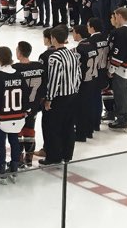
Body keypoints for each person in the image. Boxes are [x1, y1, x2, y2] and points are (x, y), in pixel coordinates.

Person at [0, 46, 29, 182]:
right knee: (14, 141)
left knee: (1, 143)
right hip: (18, 117)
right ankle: (14, 168)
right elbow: (26, 97)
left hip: (2, 119)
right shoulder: (19, 75)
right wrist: (26, 112)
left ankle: (1, 170)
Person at [41, 26, 82, 165]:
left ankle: (53, 156)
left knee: (53, 127)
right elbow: (78, 75)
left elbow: (54, 80)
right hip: (73, 95)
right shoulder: (73, 53)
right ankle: (67, 155)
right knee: (69, 126)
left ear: (53, 38)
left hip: (59, 99)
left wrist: (49, 99)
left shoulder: (55, 57)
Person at [12, 41, 45, 167]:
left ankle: (19, 159)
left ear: (19, 53)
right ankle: (29, 159)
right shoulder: (39, 67)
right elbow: (44, 86)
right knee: (30, 130)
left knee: (18, 132)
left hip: (19, 107)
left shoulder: (15, 68)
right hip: (34, 106)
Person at [72, 25, 98, 142]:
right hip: (92, 80)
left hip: (83, 83)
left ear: (78, 34)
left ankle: (80, 134)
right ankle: (89, 130)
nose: (73, 35)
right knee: (89, 107)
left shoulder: (80, 49)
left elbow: (77, 68)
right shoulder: (92, 45)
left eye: (73, 32)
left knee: (80, 109)